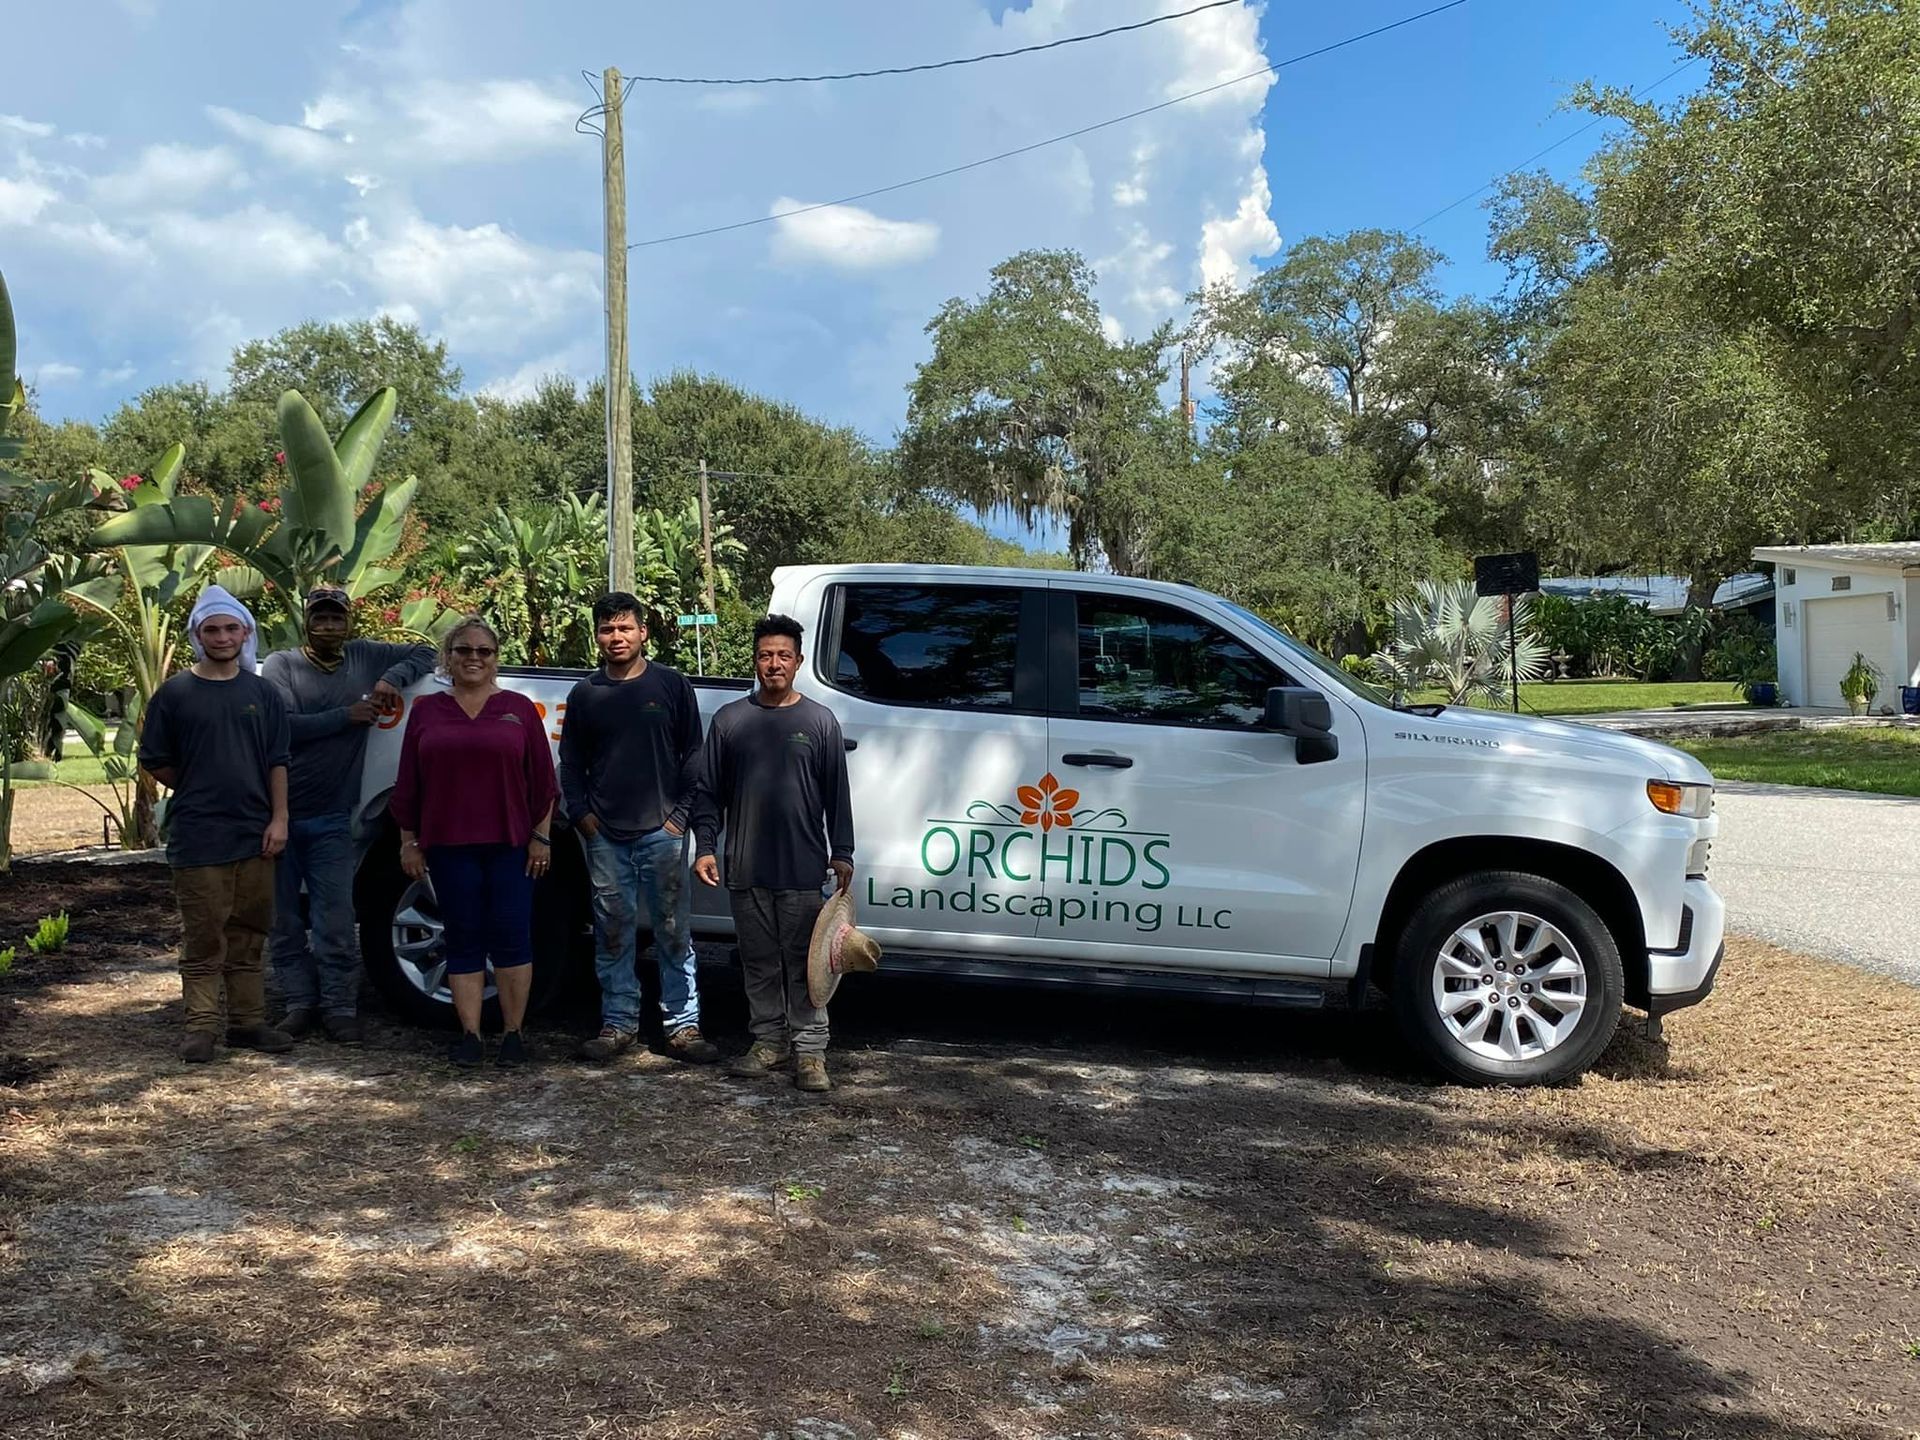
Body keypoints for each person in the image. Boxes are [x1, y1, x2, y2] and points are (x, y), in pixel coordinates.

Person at [261, 586, 435, 1044]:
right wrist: (348, 716)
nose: (328, 626)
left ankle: (340, 1007)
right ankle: (298, 1003)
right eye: (319, 618)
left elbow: (426, 651)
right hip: (278, 815)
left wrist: (389, 679)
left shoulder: (362, 657)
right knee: (284, 921)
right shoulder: (282, 665)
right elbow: (282, 726)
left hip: (334, 816)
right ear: (306, 621)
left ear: (349, 623)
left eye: (336, 619)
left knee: (335, 918)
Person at [692, 614, 854, 1093]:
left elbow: (836, 795)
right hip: (745, 866)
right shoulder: (730, 721)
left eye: (784, 655)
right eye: (766, 655)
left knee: (807, 964)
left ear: (799, 661)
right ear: (755, 661)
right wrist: (705, 847)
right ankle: (768, 1042)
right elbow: (708, 793)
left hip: (803, 867)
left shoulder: (819, 722)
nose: (774, 664)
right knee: (759, 962)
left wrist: (842, 851)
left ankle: (810, 1052)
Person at [559, 591, 720, 1064]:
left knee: (674, 933)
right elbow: (571, 762)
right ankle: (618, 1024)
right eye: (607, 629)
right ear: (597, 635)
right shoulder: (586, 693)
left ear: (643, 632)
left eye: (625, 627)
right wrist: (583, 817)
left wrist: (678, 819)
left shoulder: (670, 685)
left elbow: (694, 754)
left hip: (663, 833)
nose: (617, 637)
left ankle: (683, 1027)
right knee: (613, 931)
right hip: (605, 834)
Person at [388, 617, 557, 1068]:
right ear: (449, 656)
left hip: (511, 845)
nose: (474, 659)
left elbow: (543, 783)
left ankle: (513, 1033)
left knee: (512, 937)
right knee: (462, 938)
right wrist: (409, 841)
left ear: (495, 658)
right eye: (464, 650)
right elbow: (409, 784)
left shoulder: (519, 709)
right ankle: (470, 1035)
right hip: (448, 844)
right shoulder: (426, 711)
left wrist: (541, 839)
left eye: (484, 651)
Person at [138, 585, 294, 1064]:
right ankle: (200, 1028)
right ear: (197, 635)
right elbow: (155, 760)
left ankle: (247, 1023)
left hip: (256, 834)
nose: (222, 637)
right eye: (212, 629)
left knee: (249, 932)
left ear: (245, 633)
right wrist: (199, 782)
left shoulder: (262, 693)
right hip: (200, 835)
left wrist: (279, 818)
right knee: (205, 935)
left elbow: (277, 761)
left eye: (231, 628)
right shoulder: (176, 695)